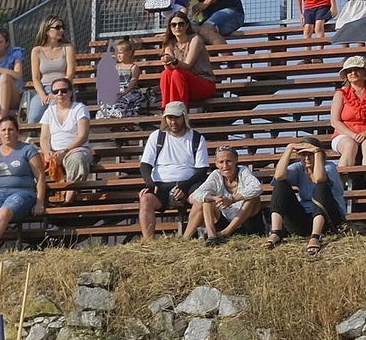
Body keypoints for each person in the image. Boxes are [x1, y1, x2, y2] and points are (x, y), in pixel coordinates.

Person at [136, 102, 210, 242]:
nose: (172, 122)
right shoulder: (156, 136)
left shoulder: (197, 138)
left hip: (188, 184)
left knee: (201, 200)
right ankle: (148, 243)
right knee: (145, 199)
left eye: (176, 118)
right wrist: (150, 183)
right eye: (169, 118)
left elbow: (202, 170)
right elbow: (145, 165)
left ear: (184, 117)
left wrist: (185, 185)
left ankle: (184, 240)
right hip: (160, 184)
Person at [0, 118, 44, 256]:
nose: (7, 133)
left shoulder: (27, 149)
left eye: (10, 129)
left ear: (17, 132)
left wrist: (39, 202)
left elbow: (40, 177)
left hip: (22, 192)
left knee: (4, 212)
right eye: (3, 130)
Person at [264, 139, 350, 255]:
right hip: (305, 219)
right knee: (280, 185)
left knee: (321, 187)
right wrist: (289, 148)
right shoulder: (298, 167)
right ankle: (276, 232)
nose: (307, 158)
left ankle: (315, 236)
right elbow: (279, 176)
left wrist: (317, 152)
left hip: (329, 218)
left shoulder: (329, 167)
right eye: (303, 154)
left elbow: (319, 179)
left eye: (311, 155)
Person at [186, 146, 262, 244]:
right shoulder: (216, 175)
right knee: (206, 201)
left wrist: (232, 199)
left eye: (228, 161)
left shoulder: (243, 171)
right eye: (221, 162)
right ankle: (212, 236)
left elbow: (257, 187)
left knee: (253, 197)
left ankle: (225, 233)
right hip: (223, 218)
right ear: (216, 164)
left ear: (236, 161)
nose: (225, 165)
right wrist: (213, 198)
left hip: (246, 220)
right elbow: (197, 194)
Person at [329, 55, 366, 169]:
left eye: (356, 69)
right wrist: (353, 135)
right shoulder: (340, 93)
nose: (352, 73)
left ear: (364, 74)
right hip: (344, 134)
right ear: (346, 76)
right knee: (350, 146)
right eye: (349, 71)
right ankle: (341, 184)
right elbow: (335, 121)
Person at [37, 77, 95, 185]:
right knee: (32, 160)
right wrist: (47, 152)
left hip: (75, 150)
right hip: (53, 152)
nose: (59, 93)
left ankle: (69, 197)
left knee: (77, 160)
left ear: (70, 92)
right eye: (55, 91)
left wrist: (64, 152)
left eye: (63, 90)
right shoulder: (49, 112)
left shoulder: (80, 108)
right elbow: (44, 138)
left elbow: (82, 136)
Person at [157, 13, 218, 110]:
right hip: (182, 83)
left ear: (187, 26)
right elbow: (168, 67)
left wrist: (173, 61)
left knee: (178, 73)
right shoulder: (170, 42)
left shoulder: (195, 39)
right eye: (174, 25)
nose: (177, 27)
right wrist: (166, 61)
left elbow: (187, 65)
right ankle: (168, 111)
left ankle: (179, 112)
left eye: (181, 24)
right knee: (166, 74)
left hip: (203, 83)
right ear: (170, 27)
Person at [24, 17, 76, 122]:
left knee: (53, 113)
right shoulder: (37, 51)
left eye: (63, 27)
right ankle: (32, 137)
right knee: (33, 117)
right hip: (44, 88)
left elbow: (70, 73)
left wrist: (58, 91)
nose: (61, 30)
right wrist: (43, 95)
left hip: (63, 89)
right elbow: (35, 78)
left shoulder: (68, 48)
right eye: (57, 27)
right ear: (47, 30)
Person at [96, 37, 155, 118]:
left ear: (129, 53)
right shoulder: (115, 67)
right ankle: (108, 114)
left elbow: (133, 82)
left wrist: (125, 92)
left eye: (120, 53)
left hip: (128, 91)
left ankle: (119, 113)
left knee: (121, 100)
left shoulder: (133, 67)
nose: (118, 55)